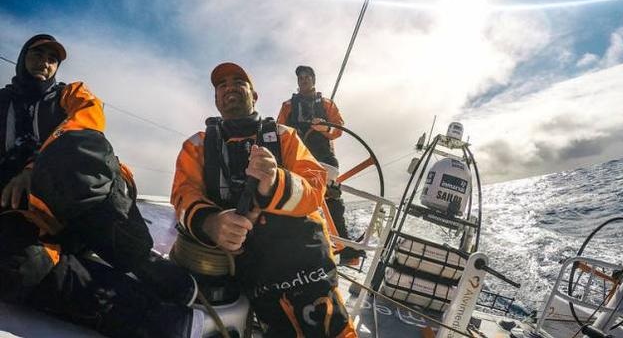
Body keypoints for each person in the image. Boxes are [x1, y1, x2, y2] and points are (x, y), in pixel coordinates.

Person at [0, 34, 203, 337]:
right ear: (22, 58)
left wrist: (33, 168)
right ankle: (150, 317)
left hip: (88, 196)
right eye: (37, 54)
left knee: (70, 154)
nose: (44, 62)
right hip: (33, 215)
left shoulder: (70, 93)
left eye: (52, 58)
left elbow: (87, 122)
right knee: (20, 266)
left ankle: (144, 264)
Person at [171, 62, 356, 338]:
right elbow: (184, 193)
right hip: (244, 262)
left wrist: (275, 182)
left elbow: (315, 186)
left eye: (238, 82)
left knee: (330, 328)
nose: (229, 87)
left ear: (254, 96)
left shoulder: (286, 136)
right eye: (222, 85)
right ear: (216, 99)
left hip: (301, 254)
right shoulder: (196, 146)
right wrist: (211, 223)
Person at [277, 65, 363, 264]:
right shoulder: (288, 106)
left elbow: (338, 128)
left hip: (324, 162)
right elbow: (278, 130)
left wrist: (325, 126)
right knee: (292, 200)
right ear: (298, 82)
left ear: (313, 80)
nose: (304, 80)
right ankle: (293, 250)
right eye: (300, 78)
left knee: (331, 200)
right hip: (296, 161)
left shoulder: (327, 104)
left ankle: (346, 251)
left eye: (307, 77)